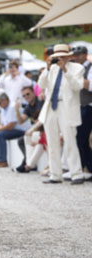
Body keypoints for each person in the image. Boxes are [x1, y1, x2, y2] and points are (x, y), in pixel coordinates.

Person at [37, 44, 85, 184]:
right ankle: (55, 174)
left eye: (63, 56)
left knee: (70, 140)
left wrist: (65, 70)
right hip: (51, 106)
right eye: (57, 57)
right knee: (52, 142)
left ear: (68, 56)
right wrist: (46, 69)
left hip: (66, 107)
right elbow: (41, 84)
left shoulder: (77, 68)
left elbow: (77, 86)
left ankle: (77, 174)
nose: (60, 59)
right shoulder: (51, 68)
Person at [0, 92, 30, 167]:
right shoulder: (3, 108)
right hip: (12, 130)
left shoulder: (12, 106)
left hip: (21, 130)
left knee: (0, 135)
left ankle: (3, 161)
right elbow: (2, 124)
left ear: (5, 100)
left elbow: (11, 125)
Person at [71, 46, 92, 180]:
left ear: (85, 55)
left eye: (79, 55)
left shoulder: (89, 68)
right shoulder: (78, 68)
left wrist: (77, 78)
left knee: (81, 139)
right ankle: (86, 167)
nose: (76, 57)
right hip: (80, 106)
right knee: (80, 139)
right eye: (75, 55)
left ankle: (88, 167)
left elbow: (90, 86)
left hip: (88, 106)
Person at [14, 87, 44, 173]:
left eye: (28, 94)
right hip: (36, 130)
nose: (26, 96)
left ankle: (28, 164)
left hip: (44, 129)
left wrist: (34, 129)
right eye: (24, 95)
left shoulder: (41, 102)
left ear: (34, 93)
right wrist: (16, 111)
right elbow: (20, 121)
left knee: (30, 136)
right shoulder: (28, 107)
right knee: (21, 141)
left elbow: (42, 120)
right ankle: (29, 162)